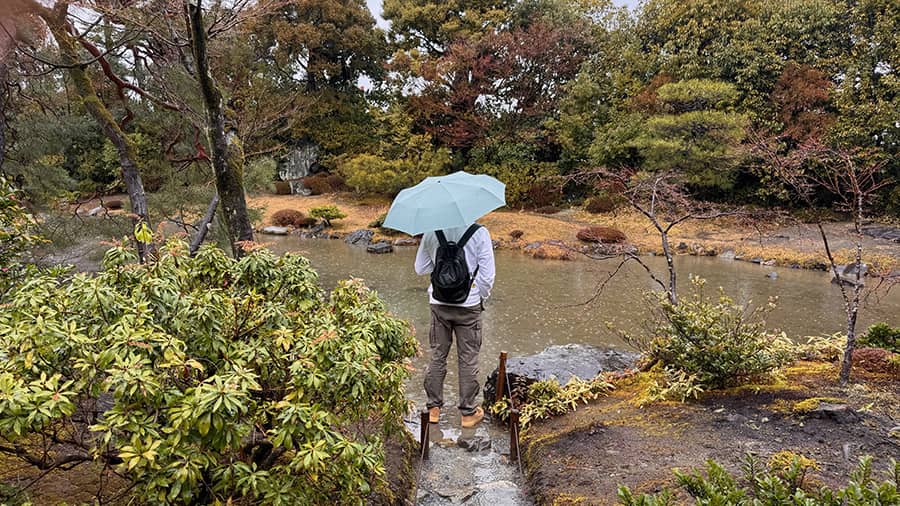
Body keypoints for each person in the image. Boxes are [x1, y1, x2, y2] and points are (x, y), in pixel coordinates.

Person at [415, 223, 495, 427]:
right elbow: (487, 275)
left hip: (438, 303)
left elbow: (420, 268)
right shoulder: (480, 233)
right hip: (468, 305)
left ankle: (433, 409)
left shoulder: (431, 231)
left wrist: (442, 271)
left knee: (437, 355)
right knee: (468, 358)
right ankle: (468, 413)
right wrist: (479, 296)